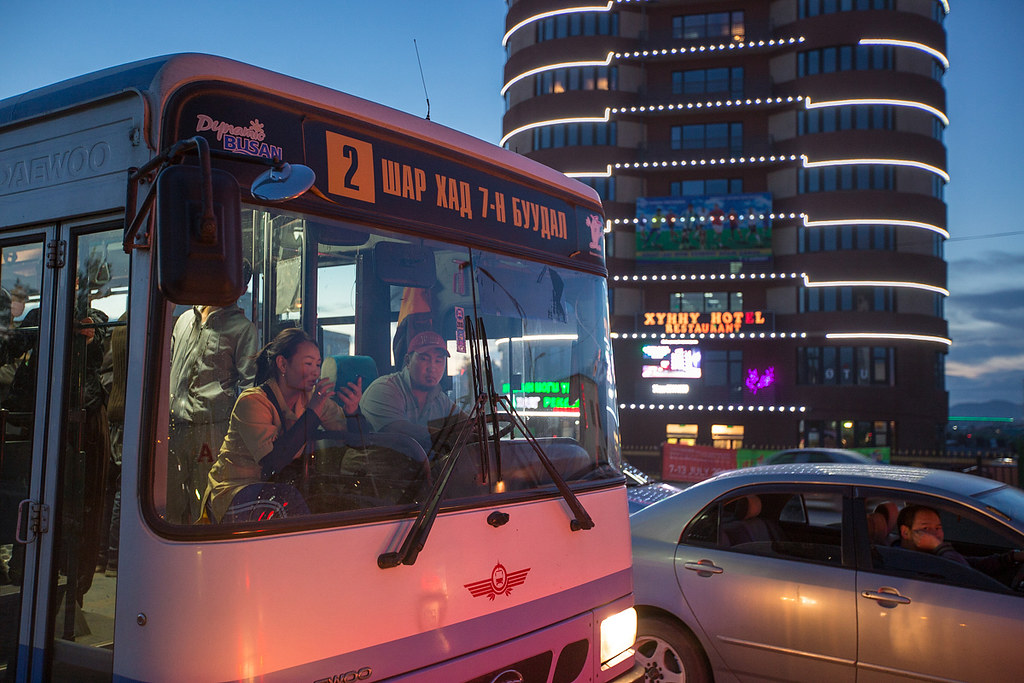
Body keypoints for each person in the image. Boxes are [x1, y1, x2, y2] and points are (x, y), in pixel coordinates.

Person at [203, 328, 363, 523]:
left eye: (318, 364)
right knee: (283, 502)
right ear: (283, 364)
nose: (315, 371)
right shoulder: (252, 401)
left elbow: (354, 440)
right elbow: (273, 462)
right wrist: (313, 412)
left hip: (277, 487)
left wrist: (353, 412)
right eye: (308, 363)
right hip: (235, 489)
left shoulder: (311, 398)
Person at [167, 296, 258, 524]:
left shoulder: (242, 328)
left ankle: (202, 545)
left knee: (205, 501)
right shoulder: (184, 320)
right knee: (169, 500)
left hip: (212, 429)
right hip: (174, 425)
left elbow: (249, 385)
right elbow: (168, 366)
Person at [359, 331, 466, 449]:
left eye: (438, 361)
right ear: (407, 361)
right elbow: (404, 434)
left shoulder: (440, 399)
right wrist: (451, 436)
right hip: (379, 460)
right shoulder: (383, 389)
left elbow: (467, 424)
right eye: (424, 359)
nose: (432, 368)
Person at [897, 504, 1024, 576]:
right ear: (905, 532)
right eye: (925, 528)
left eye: (938, 528)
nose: (935, 534)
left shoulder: (932, 554)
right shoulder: (904, 562)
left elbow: (973, 564)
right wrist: (938, 546)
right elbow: (964, 573)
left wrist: (1011, 557)